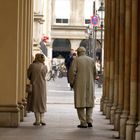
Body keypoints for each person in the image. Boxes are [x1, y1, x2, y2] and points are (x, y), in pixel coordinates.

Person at [69, 46, 96, 128]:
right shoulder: (91, 60)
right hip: (90, 83)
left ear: (78, 52)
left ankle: (83, 122)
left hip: (79, 84)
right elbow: (95, 72)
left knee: (80, 103)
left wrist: (71, 82)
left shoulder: (76, 60)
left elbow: (72, 72)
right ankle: (89, 120)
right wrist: (92, 80)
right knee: (89, 102)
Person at [27, 53, 48, 126]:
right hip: (42, 86)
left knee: (35, 102)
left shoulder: (32, 66)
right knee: (42, 102)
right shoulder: (44, 67)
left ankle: (37, 120)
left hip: (34, 86)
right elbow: (45, 75)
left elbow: (28, 75)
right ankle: (42, 119)